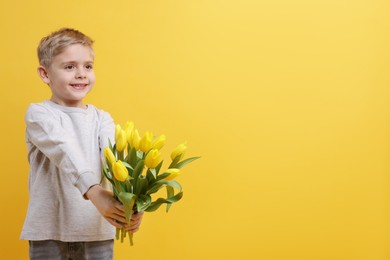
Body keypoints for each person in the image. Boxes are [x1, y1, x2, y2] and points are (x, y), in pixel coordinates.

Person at [20, 28, 143, 259]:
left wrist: (132, 204)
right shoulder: (38, 114)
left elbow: (116, 165)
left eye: (88, 66)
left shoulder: (102, 118)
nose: (81, 74)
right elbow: (63, 150)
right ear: (45, 74)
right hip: (48, 232)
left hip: (96, 231)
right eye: (69, 67)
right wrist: (94, 191)